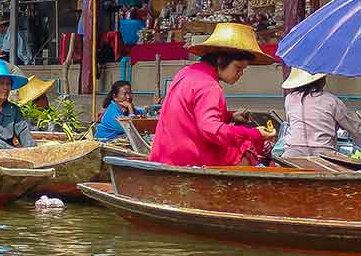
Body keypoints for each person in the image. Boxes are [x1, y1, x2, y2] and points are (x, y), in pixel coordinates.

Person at [149, 23, 277, 166]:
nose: (240, 74)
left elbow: (193, 115)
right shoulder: (209, 85)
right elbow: (212, 131)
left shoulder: (187, 72)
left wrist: (230, 116)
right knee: (247, 151)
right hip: (189, 159)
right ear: (221, 60)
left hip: (165, 154)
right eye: (238, 67)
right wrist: (255, 134)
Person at [280, 68, 361, 157]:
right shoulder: (331, 100)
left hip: (292, 153)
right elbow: (355, 128)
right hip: (323, 154)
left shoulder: (289, 99)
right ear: (322, 81)